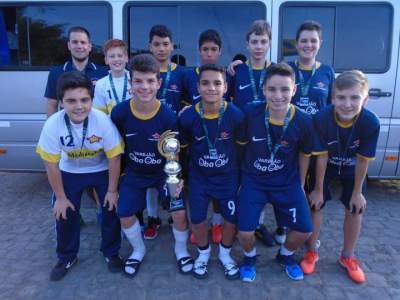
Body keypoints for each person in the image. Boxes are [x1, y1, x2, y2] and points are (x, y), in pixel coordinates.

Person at [36, 71, 124, 281]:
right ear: (61, 102)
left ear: (92, 100)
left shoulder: (102, 120)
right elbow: (51, 165)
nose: (79, 106)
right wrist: (60, 197)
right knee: (65, 213)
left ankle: (111, 253)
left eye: (84, 100)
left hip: (100, 169)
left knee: (111, 208)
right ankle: (67, 256)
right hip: (70, 171)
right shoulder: (53, 124)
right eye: (71, 101)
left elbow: (114, 158)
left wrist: (112, 191)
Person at [111, 54, 193, 277]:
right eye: (138, 81)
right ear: (131, 84)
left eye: (150, 81)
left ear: (158, 83)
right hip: (134, 173)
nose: (144, 87)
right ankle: (138, 250)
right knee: (125, 213)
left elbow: (173, 153)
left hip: (162, 173)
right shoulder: (119, 113)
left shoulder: (167, 116)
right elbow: (115, 150)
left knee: (179, 213)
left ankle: (181, 249)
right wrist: (113, 186)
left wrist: (175, 181)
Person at [301, 70, 380, 284]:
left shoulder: (371, 122)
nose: (347, 104)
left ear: (365, 99)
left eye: (354, 98)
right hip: (324, 167)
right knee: (316, 204)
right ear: (333, 98)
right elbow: (322, 157)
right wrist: (317, 189)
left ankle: (347, 256)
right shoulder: (321, 118)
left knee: (355, 208)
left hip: (351, 169)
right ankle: (311, 251)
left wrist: (357, 193)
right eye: (342, 98)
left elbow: (363, 160)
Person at [237, 62, 314, 282]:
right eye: (272, 89)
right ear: (263, 90)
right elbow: (240, 145)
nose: (278, 95)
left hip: (286, 183)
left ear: (294, 90)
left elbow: (305, 154)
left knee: (304, 230)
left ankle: (286, 256)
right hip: (255, 182)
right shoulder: (250, 113)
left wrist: (300, 184)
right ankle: (250, 258)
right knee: (244, 233)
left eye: (284, 89)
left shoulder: (304, 121)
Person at [179, 64, 245, 279]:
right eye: (205, 83)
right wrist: (181, 177)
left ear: (225, 87)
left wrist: (242, 179)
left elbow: (242, 149)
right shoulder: (188, 117)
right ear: (197, 87)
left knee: (230, 220)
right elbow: (182, 150)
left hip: (227, 178)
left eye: (217, 83)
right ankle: (203, 253)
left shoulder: (235, 115)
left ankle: (225, 255)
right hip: (199, 179)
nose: (211, 88)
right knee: (197, 220)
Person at [285, 20, 335, 274]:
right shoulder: (286, 69)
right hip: (289, 143)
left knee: (316, 196)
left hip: (317, 146)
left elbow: (331, 107)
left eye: (313, 40)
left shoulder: (327, 71)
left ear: (320, 44)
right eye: (303, 40)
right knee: (291, 191)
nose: (308, 45)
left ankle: (312, 249)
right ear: (297, 43)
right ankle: (290, 236)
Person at [228, 19, 284, 247]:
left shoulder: (277, 71)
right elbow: (226, 101)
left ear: (269, 43)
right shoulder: (237, 70)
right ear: (247, 44)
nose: (259, 46)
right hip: (241, 137)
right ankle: (237, 221)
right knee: (242, 179)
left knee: (262, 179)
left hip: (268, 136)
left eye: (263, 41)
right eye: (254, 42)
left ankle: (259, 224)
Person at [142, 24, 187, 240]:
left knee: (172, 173)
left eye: (165, 44)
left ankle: (172, 212)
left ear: (172, 47)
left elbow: (189, 101)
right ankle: (152, 217)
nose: (161, 48)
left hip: (172, 135)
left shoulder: (182, 73)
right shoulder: (145, 73)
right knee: (151, 176)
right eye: (156, 44)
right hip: (148, 132)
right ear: (150, 47)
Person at [183, 29, 226, 245]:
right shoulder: (188, 75)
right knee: (196, 184)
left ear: (219, 52)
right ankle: (198, 225)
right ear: (199, 51)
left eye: (213, 49)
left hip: (219, 134)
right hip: (196, 136)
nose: (209, 53)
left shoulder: (225, 74)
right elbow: (181, 99)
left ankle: (217, 223)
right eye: (205, 49)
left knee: (219, 184)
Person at [45, 26, 108, 117]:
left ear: (89, 46)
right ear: (69, 46)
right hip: (67, 126)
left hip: (96, 126)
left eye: (83, 42)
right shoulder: (56, 73)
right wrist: (52, 129)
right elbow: (52, 104)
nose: (79, 46)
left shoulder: (103, 72)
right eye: (75, 42)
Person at [93, 39, 131, 114]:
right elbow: (99, 114)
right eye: (112, 56)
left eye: (120, 56)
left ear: (126, 58)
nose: (116, 59)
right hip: (110, 125)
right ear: (106, 60)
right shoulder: (100, 84)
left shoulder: (135, 79)